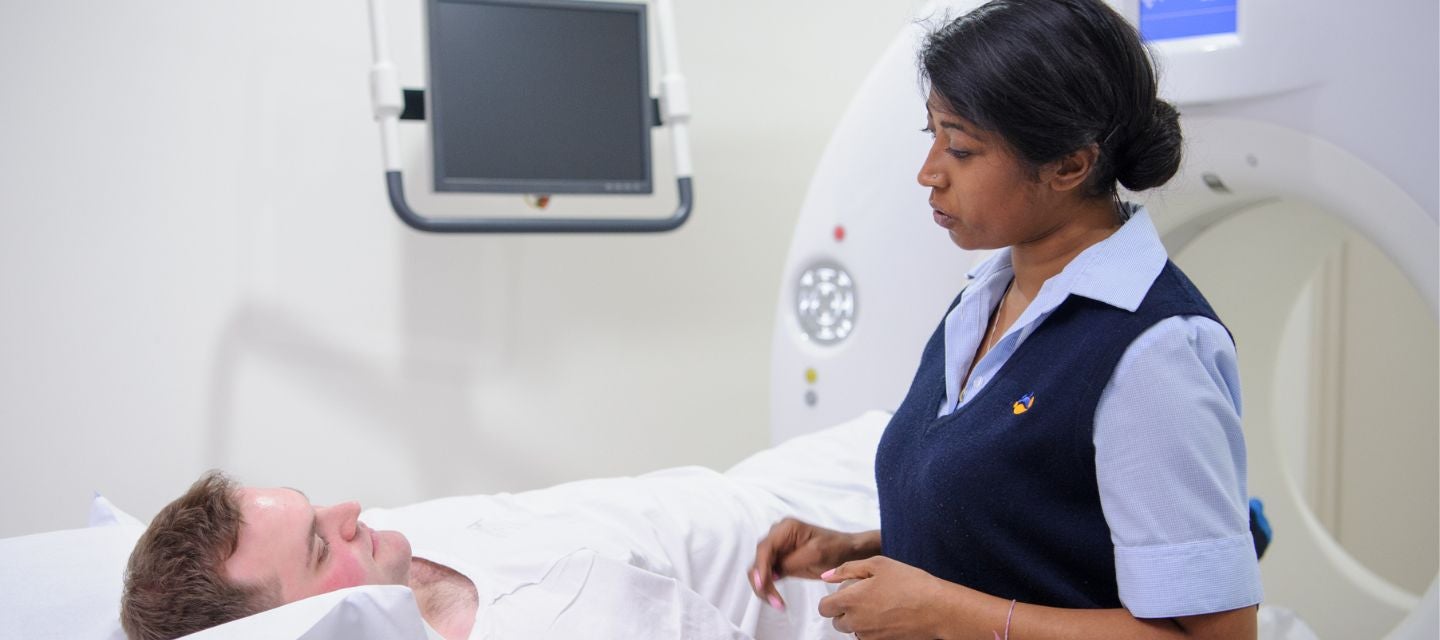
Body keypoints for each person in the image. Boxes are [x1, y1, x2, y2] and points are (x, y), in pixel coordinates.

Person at [748, 1, 1263, 638]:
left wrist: (940, 611)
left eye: (961, 148)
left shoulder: (1153, 349)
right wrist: (853, 549)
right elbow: (1030, 523)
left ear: (1070, 165)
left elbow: (1216, 638)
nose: (928, 172)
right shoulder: (985, 297)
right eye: (931, 134)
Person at [119, 413, 891, 640]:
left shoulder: (394, 550)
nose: (352, 512)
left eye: (316, 504)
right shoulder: (564, 627)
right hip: (862, 586)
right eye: (323, 544)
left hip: (793, 486)